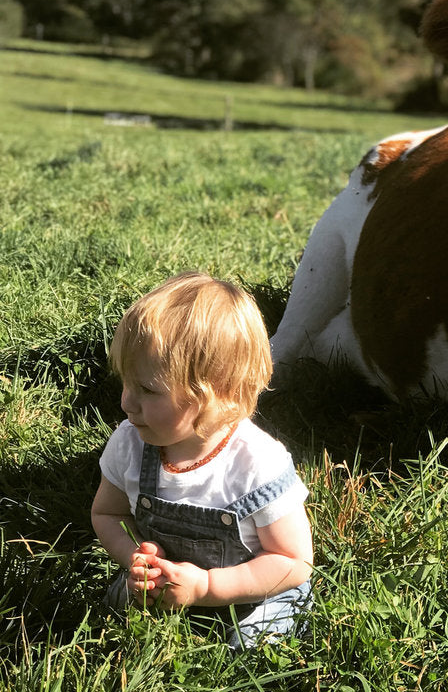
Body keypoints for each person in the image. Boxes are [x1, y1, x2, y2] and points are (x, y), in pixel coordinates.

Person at [91, 272, 313, 650]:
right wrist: (137, 556)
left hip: (256, 587)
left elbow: (292, 561)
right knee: (111, 612)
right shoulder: (129, 444)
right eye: (126, 382)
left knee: (253, 643)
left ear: (217, 394)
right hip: (171, 579)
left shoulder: (257, 463)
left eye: (147, 389)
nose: (127, 402)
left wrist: (208, 587)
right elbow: (107, 514)